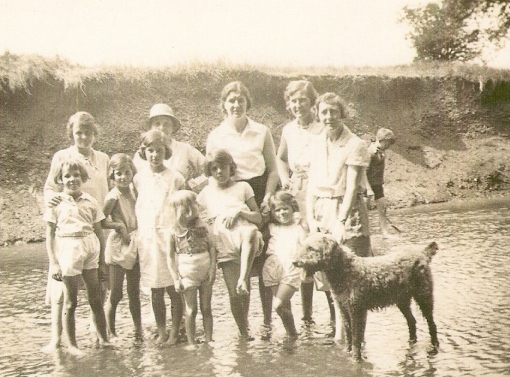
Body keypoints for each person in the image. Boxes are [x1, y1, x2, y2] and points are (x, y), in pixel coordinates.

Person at [206, 81, 278, 337]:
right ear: (223, 104)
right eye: (231, 100)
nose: (236, 105)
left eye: (241, 100)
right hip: (229, 196)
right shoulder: (216, 135)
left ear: (248, 103)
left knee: (266, 262)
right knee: (237, 267)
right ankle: (243, 329)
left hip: (259, 195)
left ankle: (268, 322)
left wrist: (268, 196)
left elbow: (273, 170)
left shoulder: (262, 131)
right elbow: (211, 174)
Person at [42, 111, 110, 352]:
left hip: (94, 226)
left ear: (95, 134)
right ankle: (57, 339)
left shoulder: (103, 158)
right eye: (78, 132)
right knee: (63, 292)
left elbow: (109, 191)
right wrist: (52, 201)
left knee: (97, 289)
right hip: (67, 229)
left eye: (88, 132)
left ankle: (98, 335)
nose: (83, 137)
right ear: (71, 133)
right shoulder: (62, 156)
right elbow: (50, 188)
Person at [276, 80, 332, 325]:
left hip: (319, 192)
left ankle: (335, 314)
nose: (298, 105)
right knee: (303, 250)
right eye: (294, 101)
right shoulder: (288, 130)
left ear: (312, 102)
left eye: (303, 100)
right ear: (289, 104)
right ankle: (307, 316)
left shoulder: (323, 127)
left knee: (323, 249)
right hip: (297, 191)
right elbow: (279, 158)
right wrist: (284, 179)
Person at [197, 149, 263, 339]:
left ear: (231, 167)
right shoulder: (206, 193)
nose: (219, 172)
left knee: (251, 232)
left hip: (246, 239)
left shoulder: (243, 187)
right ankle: (244, 333)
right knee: (235, 295)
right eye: (214, 168)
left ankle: (244, 277)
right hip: (223, 241)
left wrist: (239, 212)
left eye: (223, 167)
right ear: (209, 171)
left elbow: (258, 217)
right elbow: (195, 216)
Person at [133, 129, 185, 344]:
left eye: (159, 150)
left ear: (166, 151)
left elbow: (185, 207)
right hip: (148, 239)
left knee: (174, 287)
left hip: (170, 237)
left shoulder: (176, 178)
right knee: (155, 289)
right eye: (150, 150)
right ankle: (161, 330)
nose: (154, 155)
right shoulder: (138, 178)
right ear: (144, 152)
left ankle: (174, 332)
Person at [168, 190, 216, 346]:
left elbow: (212, 249)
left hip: (205, 271)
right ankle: (191, 342)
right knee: (191, 309)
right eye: (191, 205)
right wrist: (175, 279)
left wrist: (212, 270)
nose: (195, 207)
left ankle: (209, 339)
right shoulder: (173, 232)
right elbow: (170, 257)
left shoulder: (203, 226)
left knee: (206, 307)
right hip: (187, 274)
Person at [101, 153, 141, 340]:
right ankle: (111, 331)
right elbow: (101, 221)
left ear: (132, 172)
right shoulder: (113, 196)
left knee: (134, 290)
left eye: (127, 172)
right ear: (112, 175)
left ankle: (138, 329)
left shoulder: (135, 192)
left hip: (135, 241)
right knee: (116, 292)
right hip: (118, 243)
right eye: (119, 174)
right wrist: (118, 225)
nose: (123, 177)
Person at [133, 103, 206, 192]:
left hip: (178, 200)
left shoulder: (184, 149)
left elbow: (210, 170)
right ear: (150, 127)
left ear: (172, 128)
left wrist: (191, 185)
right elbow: (132, 182)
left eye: (166, 124)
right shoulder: (142, 154)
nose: (162, 128)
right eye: (157, 124)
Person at [262, 191, 305, 339]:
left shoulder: (300, 226)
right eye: (277, 210)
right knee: (285, 306)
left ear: (293, 207)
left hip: (292, 267)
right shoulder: (272, 227)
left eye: (285, 208)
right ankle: (291, 336)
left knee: (278, 305)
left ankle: (293, 333)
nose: (282, 213)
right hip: (273, 267)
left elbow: (306, 245)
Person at [365, 128, 397, 238]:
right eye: (388, 143)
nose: (389, 146)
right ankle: (365, 234)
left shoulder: (382, 152)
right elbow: (363, 173)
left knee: (383, 207)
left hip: (377, 185)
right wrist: (368, 189)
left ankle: (385, 233)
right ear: (382, 140)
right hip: (366, 186)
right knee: (364, 211)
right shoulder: (370, 152)